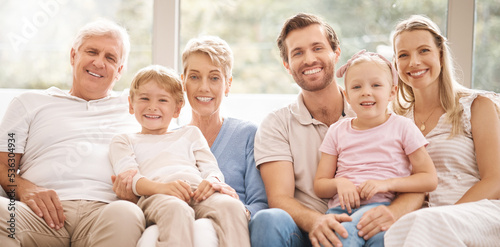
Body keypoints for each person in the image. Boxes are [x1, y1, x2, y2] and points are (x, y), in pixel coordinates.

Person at [249, 13, 425, 247]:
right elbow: (280, 198)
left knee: (387, 236)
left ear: (336, 53)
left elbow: (418, 180)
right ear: (287, 65)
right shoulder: (276, 124)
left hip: (367, 221)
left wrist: (394, 212)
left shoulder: (376, 110)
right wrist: (316, 222)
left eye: (317, 48)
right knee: (267, 219)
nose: (309, 59)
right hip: (303, 229)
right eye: (298, 53)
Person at [0, 19, 145, 246]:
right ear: (73, 56)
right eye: (92, 51)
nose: (99, 62)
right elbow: (4, 164)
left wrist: (136, 191)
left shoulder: (136, 108)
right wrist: (24, 188)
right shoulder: (28, 103)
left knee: (128, 214)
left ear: (119, 70)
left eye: (110, 57)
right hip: (37, 215)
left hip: (105, 213)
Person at [384, 15, 500, 246]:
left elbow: (495, 180)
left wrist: (444, 217)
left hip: (477, 216)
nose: (414, 62)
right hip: (416, 223)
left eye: (423, 50)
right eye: (403, 55)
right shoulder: (393, 119)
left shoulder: (476, 106)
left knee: (421, 225)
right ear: (396, 64)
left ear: (440, 54)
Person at [109, 64, 250, 247]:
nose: (152, 107)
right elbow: (130, 178)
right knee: (177, 209)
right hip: (156, 196)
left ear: (177, 109)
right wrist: (162, 188)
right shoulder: (124, 140)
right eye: (144, 98)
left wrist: (213, 180)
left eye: (162, 100)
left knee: (232, 206)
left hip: (197, 192)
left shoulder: (190, 133)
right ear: (131, 104)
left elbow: (210, 167)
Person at [313, 50, 437, 247]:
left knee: (384, 240)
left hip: (383, 210)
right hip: (340, 214)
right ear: (347, 95)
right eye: (356, 86)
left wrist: (386, 184)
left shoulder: (403, 127)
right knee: (342, 236)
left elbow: (429, 179)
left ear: (392, 92)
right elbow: (320, 185)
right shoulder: (337, 131)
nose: (366, 92)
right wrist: (340, 183)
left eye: (376, 85)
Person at [181, 35, 268, 219]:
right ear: (183, 82)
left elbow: (260, 205)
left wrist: (235, 207)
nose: (204, 87)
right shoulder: (170, 138)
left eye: (214, 78)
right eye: (195, 77)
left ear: (228, 84)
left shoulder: (248, 135)